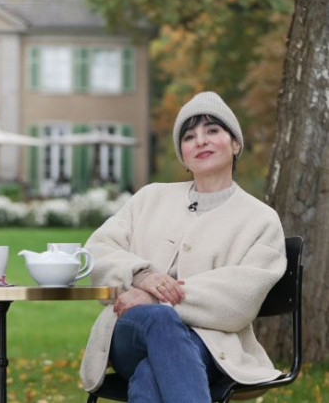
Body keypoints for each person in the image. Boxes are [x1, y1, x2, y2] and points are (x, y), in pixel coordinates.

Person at [79, 91, 287, 402]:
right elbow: (97, 249)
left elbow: (241, 296)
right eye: (189, 137)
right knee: (160, 321)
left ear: (235, 144)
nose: (200, 141)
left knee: (150, 374)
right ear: (183, 155)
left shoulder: (261, 219)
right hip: (130, 333)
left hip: (211, 345)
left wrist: (155, 296)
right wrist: (142, 276)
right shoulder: (149, 198)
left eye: (212, 130)